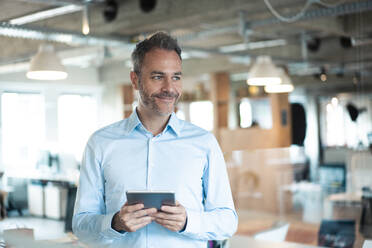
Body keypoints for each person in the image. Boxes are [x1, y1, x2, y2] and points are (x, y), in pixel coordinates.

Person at [72, 32, 238, 247]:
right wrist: (115, 223)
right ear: (135, 79)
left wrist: (189, 221)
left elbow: (227, 221)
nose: (169, 88)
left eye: (176, 77)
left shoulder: (204, 143)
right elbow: (81, 225)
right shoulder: (101, 143)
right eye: (158, 77)